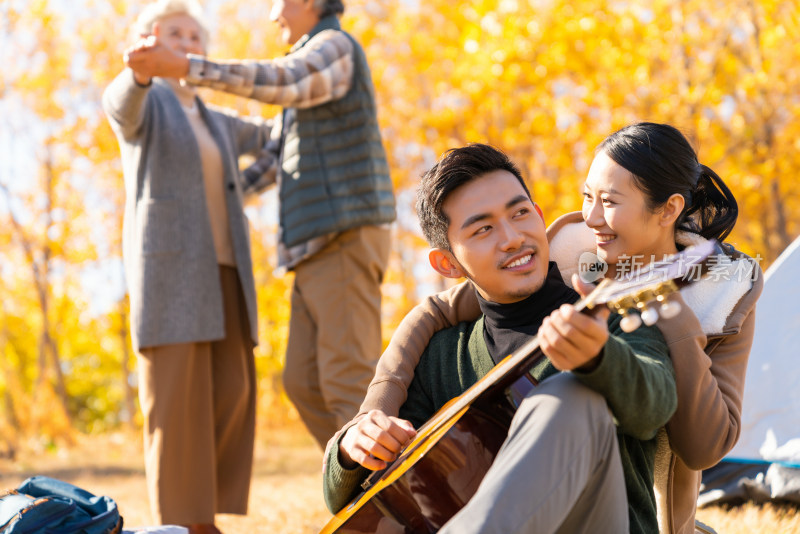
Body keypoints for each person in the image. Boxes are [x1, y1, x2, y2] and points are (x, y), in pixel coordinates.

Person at [347, 123, 763, 534]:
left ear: (669, 209)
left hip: (611, 513)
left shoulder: (687, 304)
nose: (593, 216)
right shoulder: (568, 261)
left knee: (571, 393)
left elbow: (673, 418)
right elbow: (450, 305)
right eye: (587, 197)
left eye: (611, 201)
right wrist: (363, 428)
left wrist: (612, 349)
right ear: (448, 263)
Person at [124, 0, 396, 449]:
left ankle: (399, 508)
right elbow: (274, 161)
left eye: (278, 3)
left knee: (349, 383)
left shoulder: (332, 48)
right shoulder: (310, 66)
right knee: (303, 382)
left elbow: (282, 80)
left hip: (343, 235)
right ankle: (362, 486)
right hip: (313, 248)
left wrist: (186, 65)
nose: (273, 16)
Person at [102, 1, 272, 532]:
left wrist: (244, 189)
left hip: (227, 273)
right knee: (176, 403)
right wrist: (138, 72)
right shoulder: (146, 101)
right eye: (174, 32)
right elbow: (120, 106)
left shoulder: (216, 119)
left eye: (195, 35)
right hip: (171, 274)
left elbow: (277, 138)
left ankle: (202, 511)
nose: (187, 41)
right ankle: (185, 523)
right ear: (149, 40)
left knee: (234, 390)